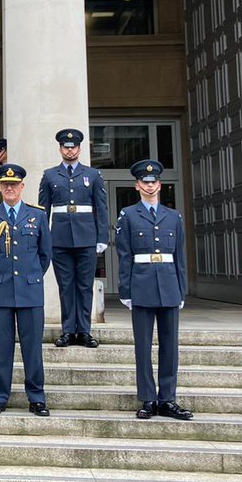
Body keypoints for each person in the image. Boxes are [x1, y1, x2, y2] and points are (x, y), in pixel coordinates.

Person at [116, 160, 191, 421]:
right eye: (144, 182)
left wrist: (182, 290)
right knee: (143, 346)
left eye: (153, 182)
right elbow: (124, 255)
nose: (149, 186)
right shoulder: (128, 215)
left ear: (160, 184)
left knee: (170, 347)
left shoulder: (174, 217)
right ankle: (148, 398)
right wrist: (125, 289)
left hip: (169, 285)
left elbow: (180, 256)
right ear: (137, 186)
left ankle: (167, 398)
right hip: (142, 285)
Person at [0, 165, 51, 417]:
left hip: (30, 291)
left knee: (33, 349)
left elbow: (45, 255)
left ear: (22, 187)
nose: (9, 188)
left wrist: (29, 277)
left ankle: (37, 397)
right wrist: (1, 277)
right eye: (5, 185)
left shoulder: (37, 215)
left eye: (14, 184)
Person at [39, 128, 108, 348]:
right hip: (59, 239)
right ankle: (68, 330)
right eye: (66, 147)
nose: (70, 150)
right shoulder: (50, 175)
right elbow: (43, 211)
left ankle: (84, 331)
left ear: (79, 148)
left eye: (74, 147)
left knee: (85, 286)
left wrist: (102, 237)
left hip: (87, 238)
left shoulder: (93, 175)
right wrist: (42, 239)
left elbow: (102, 208)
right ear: (60, 149)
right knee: (66, 285)